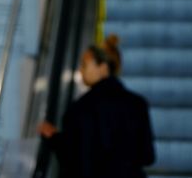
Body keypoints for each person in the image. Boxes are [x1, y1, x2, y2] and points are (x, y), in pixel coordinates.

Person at [38, 35, 155, 178]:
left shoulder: (80, 109)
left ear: (103, 68)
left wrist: (55, 138)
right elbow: (148, 157)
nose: (80, 71)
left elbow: (72, 159)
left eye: (84, 64)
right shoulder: (138, 104)